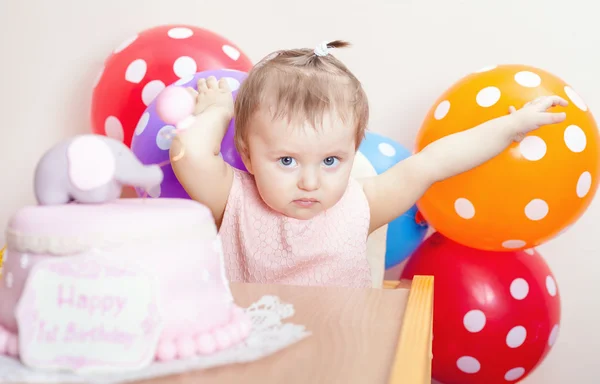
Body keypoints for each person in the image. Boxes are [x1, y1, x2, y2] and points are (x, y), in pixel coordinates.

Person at [169, 40, 568, 288]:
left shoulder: (361, 205)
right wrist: (219, 112)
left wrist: (511, 126)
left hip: (339, 362)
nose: (310, 181)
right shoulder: (233, 198)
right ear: (249, 154)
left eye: (330, 160)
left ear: (353, 150)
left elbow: (432, 163)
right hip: (251, 368)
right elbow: (187, 155)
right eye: (287, 160)